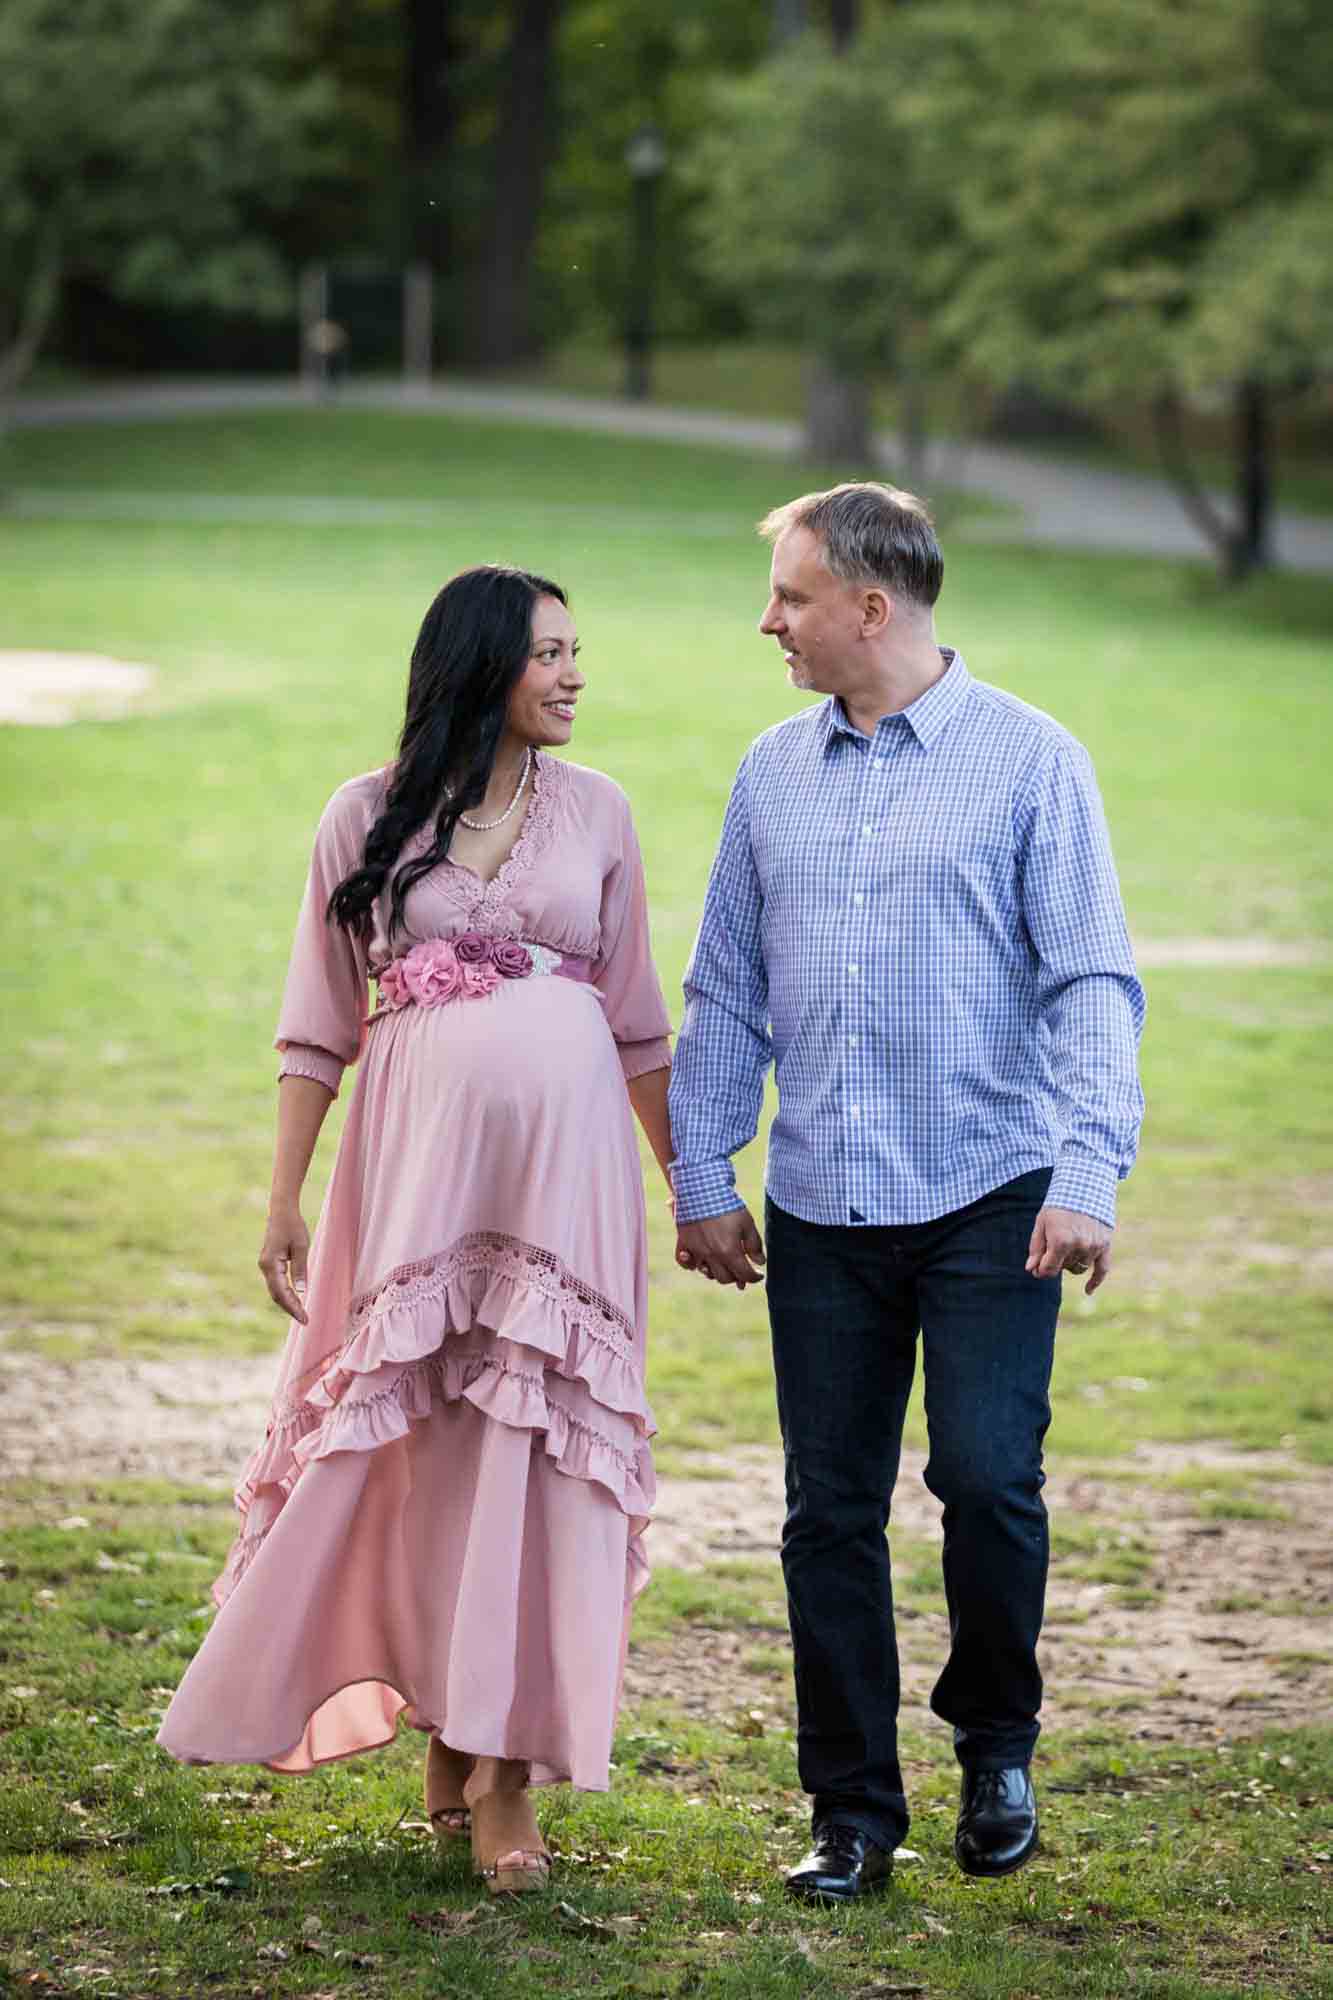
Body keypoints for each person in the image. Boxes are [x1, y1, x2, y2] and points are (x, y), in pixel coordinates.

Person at [158, 566, 674, 1895]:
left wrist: (695, 1188)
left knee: (531, 1448)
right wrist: (281, 1196)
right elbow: (316, 1019)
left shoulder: (601, 811)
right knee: (420, 1444)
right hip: (412, 1184)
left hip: (565, 1197)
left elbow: (636, 1024)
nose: (571, 675)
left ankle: (505, 1772)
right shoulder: (364, 816)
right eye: (548, 653)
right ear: (481, 664)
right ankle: (448, 1726)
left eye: (577, 653)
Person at [668, 484, 1145, 1902]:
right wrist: (705, 1172)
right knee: (827, 1508)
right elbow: (725, 991)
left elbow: (1090, 983)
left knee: (988, 1480)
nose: (768, 622)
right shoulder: (769, 771)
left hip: (994, 1194)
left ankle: (995, 1746)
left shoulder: (1030, 763)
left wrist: (1087, 1174)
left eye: (789, 598)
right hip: (821, 1204)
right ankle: (850, 1816)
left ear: (869, 609)